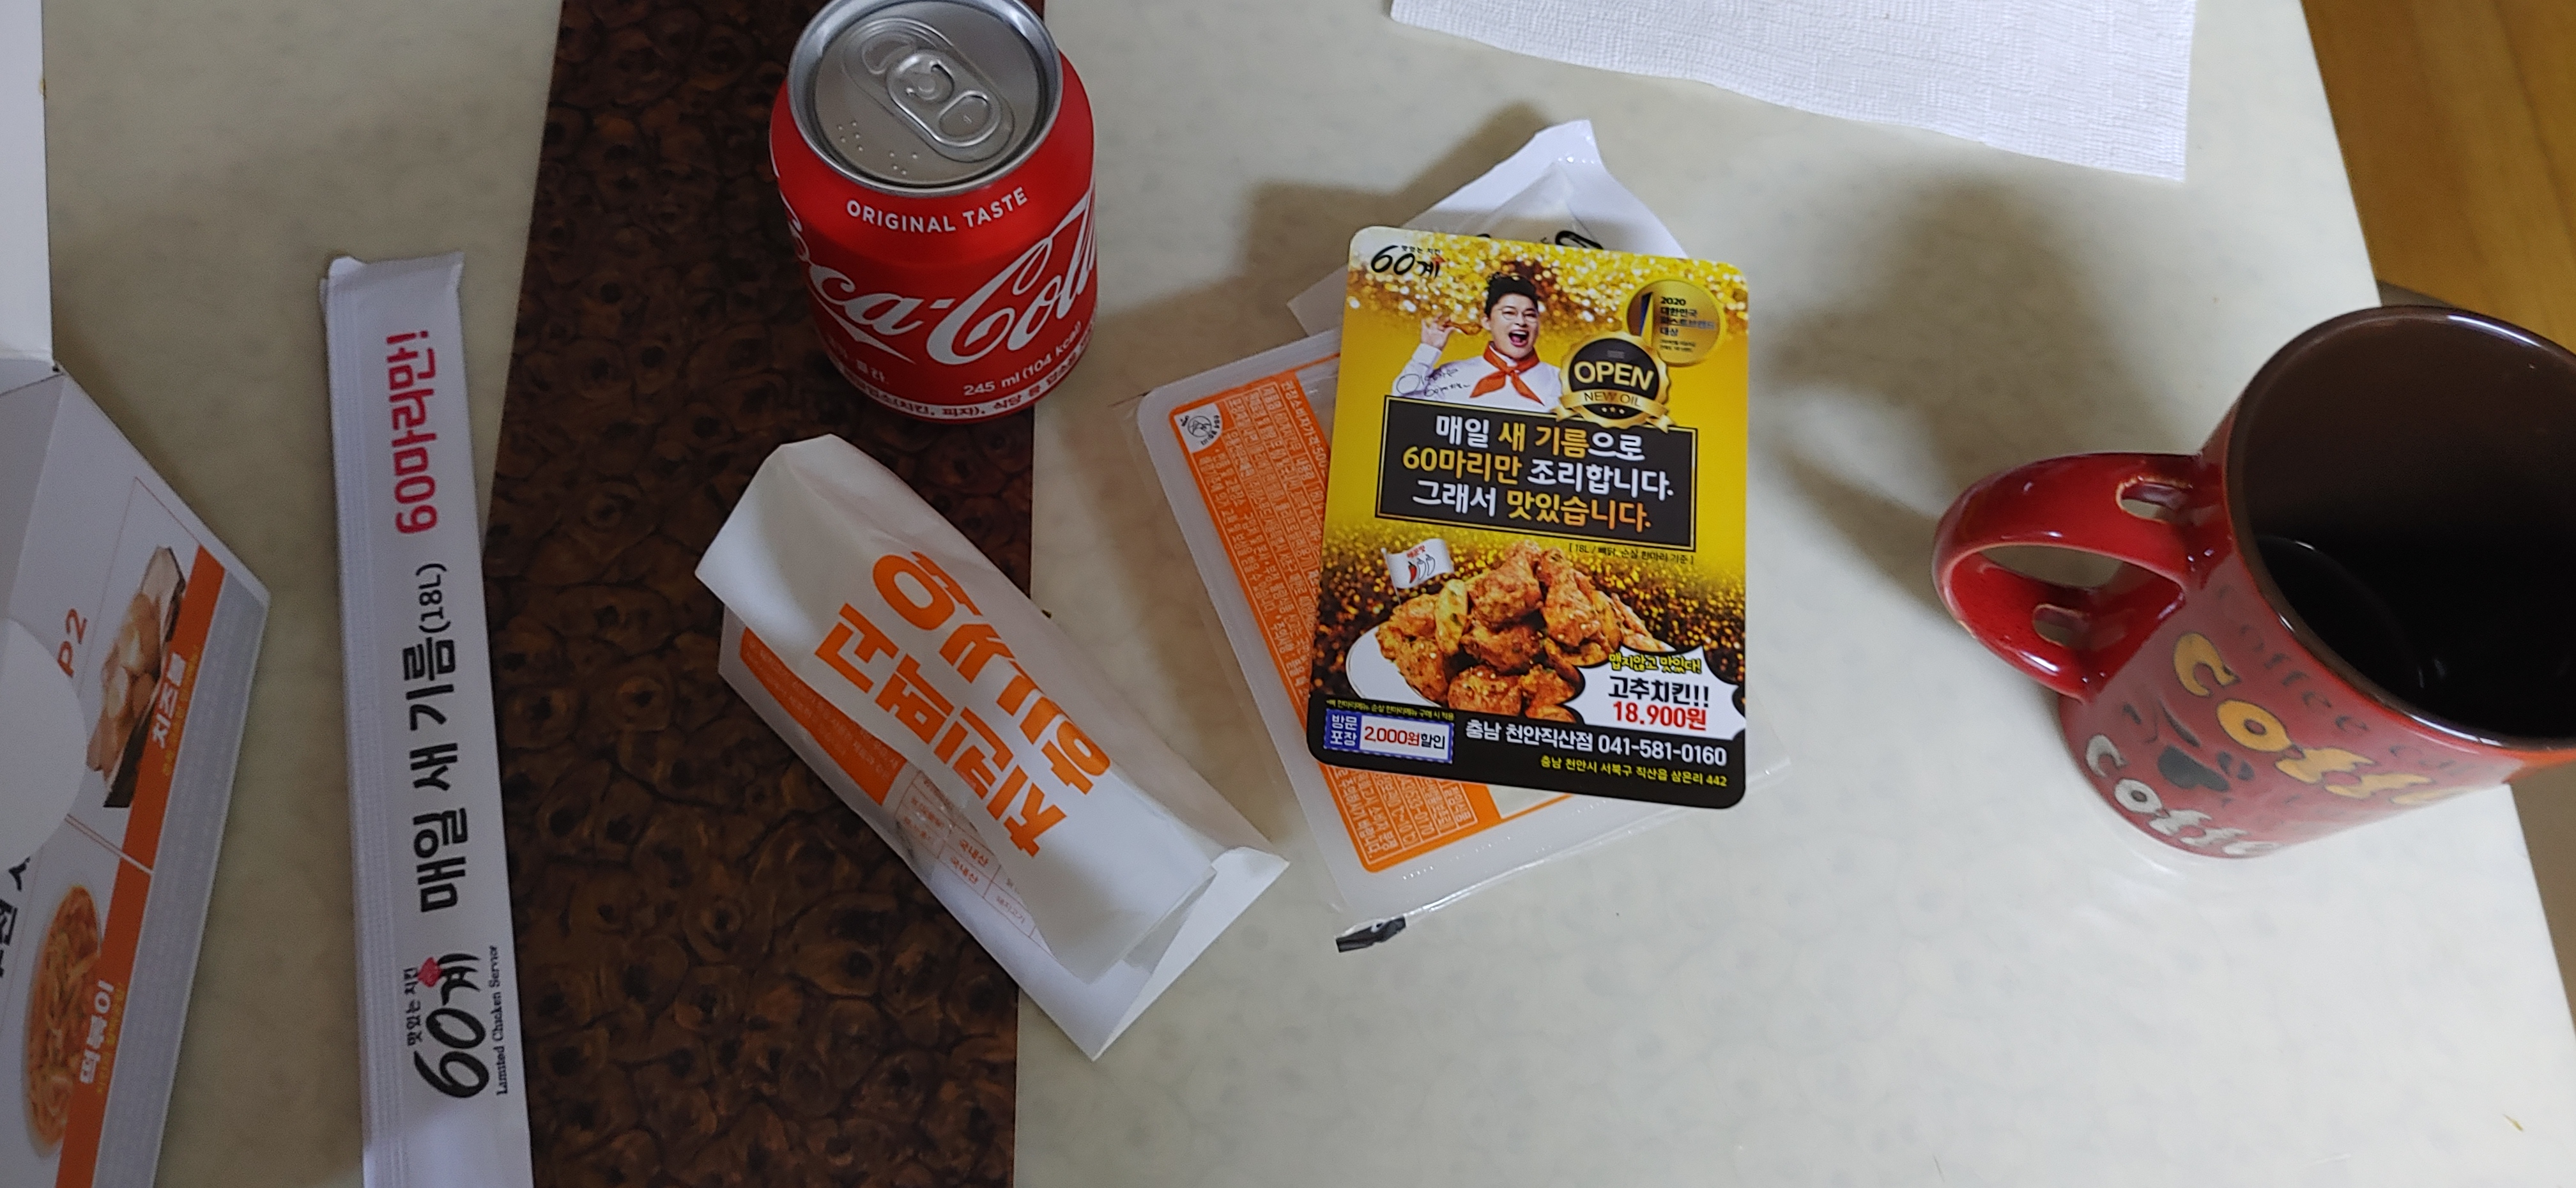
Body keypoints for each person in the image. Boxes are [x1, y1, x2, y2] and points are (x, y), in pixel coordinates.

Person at [1392, 273, 1560, 411]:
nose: (1521, 322)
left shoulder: (1562, 381)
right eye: (1509, 313)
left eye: (1530, 315)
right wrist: (1427, 351)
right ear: (1487, 322)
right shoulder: (1453, 375)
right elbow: (1403, 410)